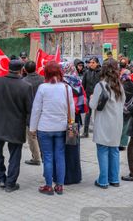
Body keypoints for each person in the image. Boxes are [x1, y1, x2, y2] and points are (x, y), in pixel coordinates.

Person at [0, 59, 32, 192]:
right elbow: (29, 109)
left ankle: (1, 178)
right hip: (16, 125)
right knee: (15, 154)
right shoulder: (25, 86)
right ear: (21, 70)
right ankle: (11, 183)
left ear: (8, 68)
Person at [30, 61, 75, 195]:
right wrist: (71, 124)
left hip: (45, 128)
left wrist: (33, 128)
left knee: (48, 157)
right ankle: (60, 186)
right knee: (60, 156)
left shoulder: (42, 88)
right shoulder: (67, 88)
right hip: (61, 127)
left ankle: (48, 186)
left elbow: (36, 109)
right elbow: (71, 109)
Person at [89, 59, 125, 189]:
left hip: (104, 122)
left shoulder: (101, 85)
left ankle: (103, 180)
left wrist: (92, 97)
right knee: (114, 150)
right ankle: (114, 179)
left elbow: (93, 105)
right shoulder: (119, 85)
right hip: (117, 122)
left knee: (103, 150)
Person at [62, 63, 86, 185]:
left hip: (63, 119)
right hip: (74, 120)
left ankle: (64, 176)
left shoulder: (62, 84)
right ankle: (75, 176)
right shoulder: (78, 83)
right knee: (73, 146)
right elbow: (82, 104)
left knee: (64, 148)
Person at [22, 61, 44, 166]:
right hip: (42, 112)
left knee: (31, 137)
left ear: (25, 69)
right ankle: (44, 155)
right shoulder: (43, 79)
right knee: (42, 135)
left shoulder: (23, 81)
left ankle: (36, 158)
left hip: (29, 113)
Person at [82, 57, 101, 137]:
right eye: (90, 62)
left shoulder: (101, 72)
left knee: (99, 114)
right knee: (87, 113)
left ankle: (99, 132)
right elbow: (83, 84)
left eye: (93, 62)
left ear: (97, 63)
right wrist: (84, 95)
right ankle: (85, 132)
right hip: (88, 95)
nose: (91, 64)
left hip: (98, 95)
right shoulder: (87, 72)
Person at [119, 69, 133, 150]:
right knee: (125, 126)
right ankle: (123, 143)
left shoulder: (122, 84)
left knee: (122, 126)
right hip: (129, 108)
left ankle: (120, 143)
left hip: (121, 108)